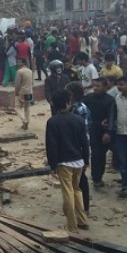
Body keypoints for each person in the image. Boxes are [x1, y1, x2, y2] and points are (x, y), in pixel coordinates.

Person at [45, 89, 90, 233]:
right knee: (77, 190)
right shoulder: (78, 119)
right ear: (67, 102)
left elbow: (51, 145)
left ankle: (72, 226)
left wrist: (52, 165)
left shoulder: (52, 122)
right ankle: (82, 220)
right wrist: (86, 160)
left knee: (68, 193)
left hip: (64, 163)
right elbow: (85, 142)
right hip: (79, 161)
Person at [84, 78, 117, 188]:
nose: (95, 88)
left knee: (102, 154)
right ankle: (96, 178)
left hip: (105, 131)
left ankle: (100, 175)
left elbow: (112, 116)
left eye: (98, 86)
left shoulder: (110, 100)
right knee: (95, 153)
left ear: (105, 87)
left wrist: (108, 132)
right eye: (94, 86)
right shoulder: (89, 98)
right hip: (93, 129)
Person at [65, 81, 93, 213]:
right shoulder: (72, 107)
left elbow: (82, 129)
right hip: (76, 144)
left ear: (73, 95)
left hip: (79, 146)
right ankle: (77, 204)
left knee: (81, 177)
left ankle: (84, 207)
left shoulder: (79, 109)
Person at [14, 58, 33, 130]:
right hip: (29, 92)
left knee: (17, 108)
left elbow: (17, 84)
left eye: (19, 62)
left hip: (21, 92)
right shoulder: (30, 71)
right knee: (27, 108)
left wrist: (16, 92)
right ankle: (27, 121)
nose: (17, 63)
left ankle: (24, 120)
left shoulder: (19, 72)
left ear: (23, 63)